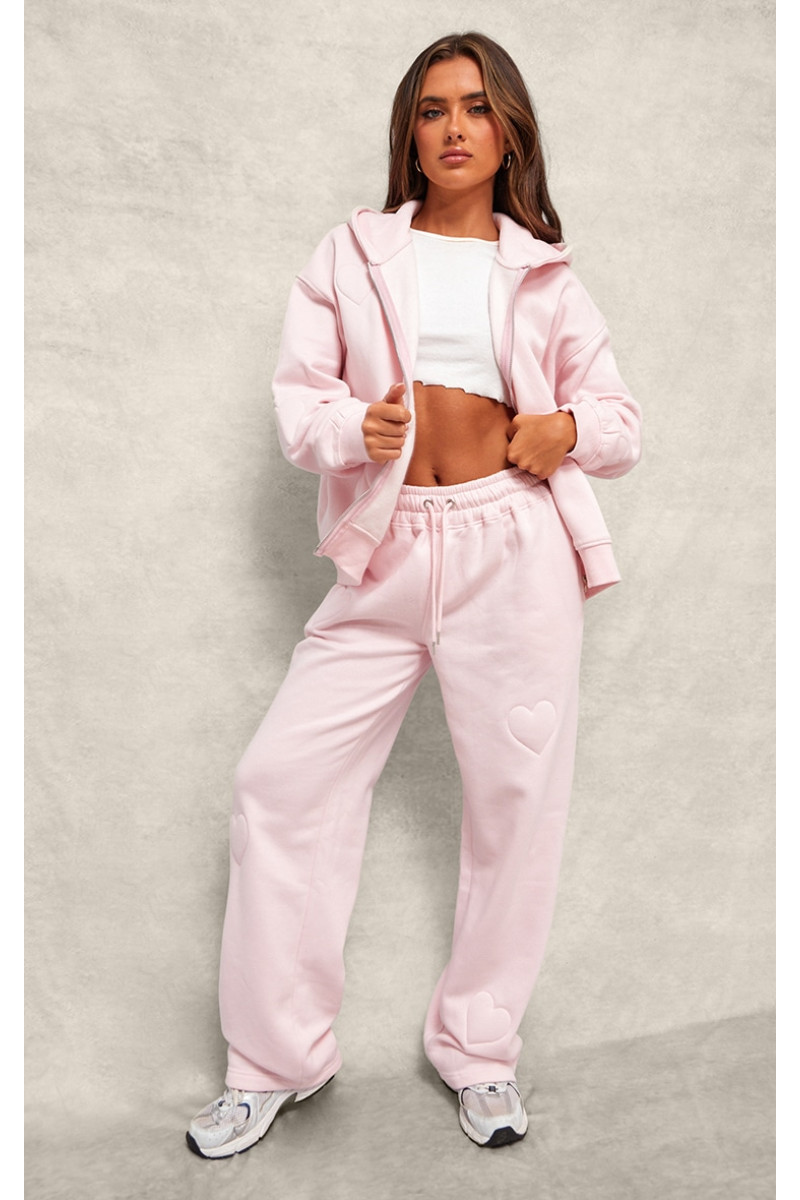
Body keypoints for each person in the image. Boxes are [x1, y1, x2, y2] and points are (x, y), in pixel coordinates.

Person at [186, 30, 642, 1157]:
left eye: (476, 107)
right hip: (385, 552)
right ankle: (273, 1062)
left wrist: (563, 428)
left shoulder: (543, 271)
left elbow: (618, 424)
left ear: (509, 131)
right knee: (279, 784)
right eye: (433, 109)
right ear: (408, 131)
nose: (453, 128)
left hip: (513, 549)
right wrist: (358, 427)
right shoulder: (350, 254)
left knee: (515, 807)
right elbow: (300, 405)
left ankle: (479, 1051)